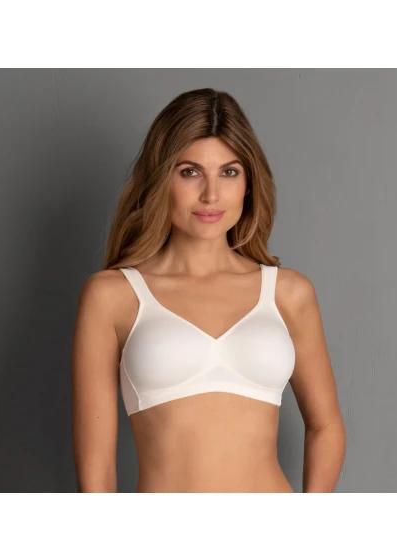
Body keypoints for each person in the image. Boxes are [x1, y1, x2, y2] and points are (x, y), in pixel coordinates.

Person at [71, 87, 346, 493]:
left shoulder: (288, 293)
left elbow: (326, 425)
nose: (211, 195)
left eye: (229, 172)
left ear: (249, 183)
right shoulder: (112, 296)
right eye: (190, 172)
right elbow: (97, 468)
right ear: (160, 179)